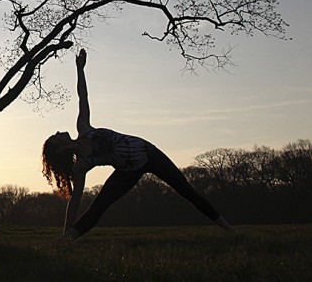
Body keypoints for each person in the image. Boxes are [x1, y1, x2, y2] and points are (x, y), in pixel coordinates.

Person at [41, 48, 234, 240]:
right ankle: (67, 239)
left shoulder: (84, 128)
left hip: (148, 152)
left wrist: (80, 69)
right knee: (100, 204)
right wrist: (65, 231)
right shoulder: (82, 165)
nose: (58, 132)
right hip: (128, 171)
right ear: (60, 148)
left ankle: (229, 230)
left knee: (186, 190)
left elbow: (83, 96)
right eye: (55, 136)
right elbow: (75, 202)